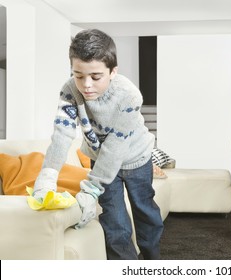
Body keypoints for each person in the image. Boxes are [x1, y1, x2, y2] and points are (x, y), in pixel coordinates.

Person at [32, 29, 164, 259]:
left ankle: (151, 261)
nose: (86, 85)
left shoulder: (129, 96)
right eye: (78, 75)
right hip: (100, 160)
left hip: (136, 159)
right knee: (114, 222)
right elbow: (62, 133)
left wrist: (91, 189)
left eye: (95, 76)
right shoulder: (69, 91)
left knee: (145, 213)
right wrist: (48, 175)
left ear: (113, 71)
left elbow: (115, 148)